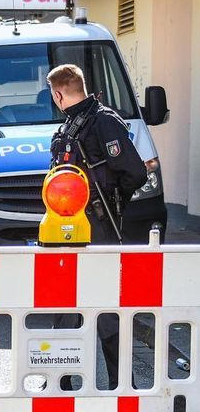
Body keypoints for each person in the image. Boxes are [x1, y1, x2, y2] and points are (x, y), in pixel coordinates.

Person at [48, 63, 148, 391]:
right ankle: (66, 383)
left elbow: (134, 172)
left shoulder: (102, 122)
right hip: (74, 229)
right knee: (71, 308)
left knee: (102, 310)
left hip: (96, 228)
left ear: (58, 94)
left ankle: (115, 386)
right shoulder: (75, 125)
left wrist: (112, 201)